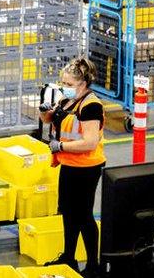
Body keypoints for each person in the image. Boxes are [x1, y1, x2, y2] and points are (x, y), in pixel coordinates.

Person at [39, 57, 105, 277]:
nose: (64, 88)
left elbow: (90, 142)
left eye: (69, 85)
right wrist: (44, 111)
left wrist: (61, 145)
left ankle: (94, 265)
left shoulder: (91, 105)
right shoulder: (67, 100)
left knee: (84, 214)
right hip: (68, 164)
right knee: (68, 212)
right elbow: (50, 120)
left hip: (86, 168)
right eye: (63, 83)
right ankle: (69, 257)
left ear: (83, 83)